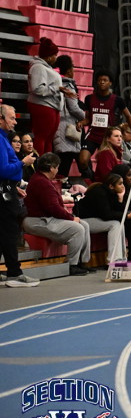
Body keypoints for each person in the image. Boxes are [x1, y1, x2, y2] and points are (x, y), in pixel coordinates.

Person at [22, 152, 95, 276]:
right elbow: (53, 208)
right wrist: (71, 218)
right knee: (77, 228)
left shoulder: (42, 179)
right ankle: (71, 265)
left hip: (44, 218)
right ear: (51, 168)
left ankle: (82, 262)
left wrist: (71, 218)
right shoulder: (42, 182)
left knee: (85, 225)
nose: (57, 170)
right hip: (37, 220)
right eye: (57, 167)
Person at [0, 105, 39, 287]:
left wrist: (13, 186)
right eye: (11, 118)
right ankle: (14, 274)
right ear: (1, 118)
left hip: (7, 189)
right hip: (4, 194)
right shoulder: (0, 140)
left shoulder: (3, 138)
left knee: (4, 232)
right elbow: (3, 170)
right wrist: (23, 162)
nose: (15, 122)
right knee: (9, 233)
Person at [81, 71, 131, 173]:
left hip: (108, 137)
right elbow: (88, 119)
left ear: (110, 83)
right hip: (93, 134)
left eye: (105, 80)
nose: (102, 82)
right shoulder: (89, 98)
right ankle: (91, 177)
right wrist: (81, 123)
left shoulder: (117, 99)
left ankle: (104, 179)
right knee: (83, 161)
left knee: (107, 165)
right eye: (99, 80)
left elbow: (128, 116)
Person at [27, 37, 68, 155]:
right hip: (43, 105)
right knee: (42, 137)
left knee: (49, 138)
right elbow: (37, 88)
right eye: (55, 55)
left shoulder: (45, 68)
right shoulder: (38, 67)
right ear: (49, 56)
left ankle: (47, 163)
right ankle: (39, 162)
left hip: (51, 106)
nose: (56, 58)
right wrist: (57, 89)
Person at [75, 173, 128, 263]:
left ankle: (121, 260)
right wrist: (127, 216)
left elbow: (116, 212)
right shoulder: (100, 192)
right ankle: (114, 261)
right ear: (111, 186)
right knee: (115, 224)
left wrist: (120, 199)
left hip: (95, 219)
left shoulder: (112, 193)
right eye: (120, 184)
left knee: (119, 224)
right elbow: (106, 215)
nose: (123, 186)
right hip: (83, 219)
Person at [52, 55, 87, 179]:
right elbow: (73, 108)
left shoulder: (55, 83)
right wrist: (87, 118)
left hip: (58, 124)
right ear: (68, 70)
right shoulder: (68, 85)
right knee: (65, 162)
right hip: (66, 127)